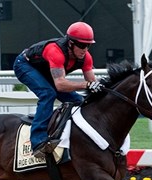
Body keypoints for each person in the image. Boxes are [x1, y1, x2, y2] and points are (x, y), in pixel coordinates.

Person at [13, 21, 104, 158]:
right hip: (25, 65)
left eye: (88, 45)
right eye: (81, 45)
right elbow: (61, 85)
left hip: (47, 72)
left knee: (79, 101)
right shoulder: (55, 51)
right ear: (70, 43)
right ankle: (38, 142)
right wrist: (86, 85)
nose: (85, 49)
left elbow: (92, 83)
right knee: (48, 94)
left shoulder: (86, 58)